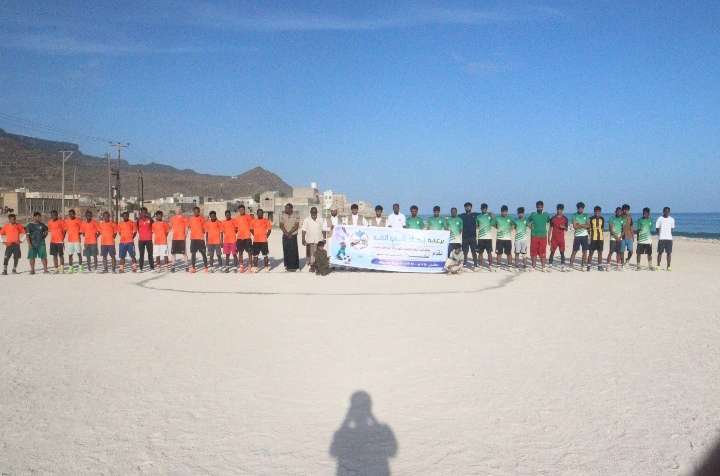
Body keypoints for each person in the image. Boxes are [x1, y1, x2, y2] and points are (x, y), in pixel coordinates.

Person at [528, 201, 551, 271]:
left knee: (543, 252)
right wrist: (530, 226)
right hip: (534, 236)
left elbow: (550, 222)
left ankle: (543, 267)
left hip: (543, 236)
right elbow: (527, 221)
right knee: (533, 252)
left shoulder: (546, 214)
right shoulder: (533, 214)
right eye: (538, 207)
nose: (539, 208)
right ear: (536, 207)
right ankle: (533, 267)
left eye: (541, 207)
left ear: (543, 207)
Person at [302, 206, 324, 272]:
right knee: (311, 255)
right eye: (312, 212)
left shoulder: (321, 220)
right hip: (310, 240)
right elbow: (304, 230)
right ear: (310, 212)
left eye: (315, 212)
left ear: (317, 212)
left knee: (318, 255)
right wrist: (303, 239)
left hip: (319, 240)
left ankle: (318, 266)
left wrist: (324, 239)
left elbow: (323, 230)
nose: (314, 214)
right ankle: (312, 267)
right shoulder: (306, 220)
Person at [569, 202, 590, 271]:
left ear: (583, 209)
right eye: (579, 208)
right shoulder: (574, 215)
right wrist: (584, 225)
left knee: (585, 251)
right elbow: (575, 227)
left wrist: (580, 224)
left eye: (582, 208)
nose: (581, 209)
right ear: (577, 208)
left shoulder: (586, 215)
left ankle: (582, 265)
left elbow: (588, 225)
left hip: (585, 235)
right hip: (577, 236)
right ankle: (571, 265)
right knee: (574, 251)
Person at [280, 203, 300, 271]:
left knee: (294, 251)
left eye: (287, 208)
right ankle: (287, 266)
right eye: (285, 208)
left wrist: (290, 233)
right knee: (286, 250)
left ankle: (295, 267)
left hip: (293, 235)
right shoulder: (282, 215)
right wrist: (287, 233)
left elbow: (296, 225)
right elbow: (281, 225)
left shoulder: (296, 215)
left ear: (291, 209)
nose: (285, 209)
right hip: (285, 235)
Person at [548, 204, 568, 271]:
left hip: (561, 239)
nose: (559, 211)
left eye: (561, 209)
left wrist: (564, 227)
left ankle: (563, 265)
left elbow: (566, 229)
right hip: (554, 239)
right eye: (558, 209)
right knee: (552, 251)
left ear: (562, 210)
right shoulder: (553, 218)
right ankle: (550, 264)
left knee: (562, 252)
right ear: (556, 209)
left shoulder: (565, 219)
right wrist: (548, 238)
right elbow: (550, 229)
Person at [475, 203, 495, 271]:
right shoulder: (478, 217)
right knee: (480, 253)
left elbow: (493, 222)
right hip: (480, 238)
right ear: (481, 209)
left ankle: (490, 265)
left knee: (489, 252)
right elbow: (477, 226)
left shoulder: (489, 216)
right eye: (482, 208)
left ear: (487, 209)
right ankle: (480, 265)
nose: (484, 209)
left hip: (488, 238)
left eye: (485, 208)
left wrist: (492, 215)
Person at [234, 205, 254, 272]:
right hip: (239, 238)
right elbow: (236, 228)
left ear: (244, 210)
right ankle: (241, 266)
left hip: (247, 237)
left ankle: (250, 265)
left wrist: (255, 234)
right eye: (240, 210)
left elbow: (252, 226)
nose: (241, 211)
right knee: (240, 252)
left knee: (249, 252)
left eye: (242, 209)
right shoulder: (237, 218)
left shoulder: (248, 217)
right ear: (239, 210)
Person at [459, 202, 478, 270]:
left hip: (473, 237)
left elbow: (484, 214)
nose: (467, 207)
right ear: (464, 208)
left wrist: (489, 212)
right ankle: (465, 262)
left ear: (471, 207)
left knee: (474, 251)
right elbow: (453, 217)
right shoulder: (462, 215)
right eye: (466, 206)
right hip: (465, 237)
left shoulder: (475, 215)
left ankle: (475, 263)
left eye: (469, 206)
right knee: (465, 251)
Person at [188, 206, 208, 273]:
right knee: (193, 254)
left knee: (203, 253)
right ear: (193, 212)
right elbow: (189, 227)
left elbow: (204, 229)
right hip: (193, 239)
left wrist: (201, 231)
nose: (196, 213)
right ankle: (193, 268)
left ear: (199, 212)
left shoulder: (202, 219)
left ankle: (206, 267)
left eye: (197, 211)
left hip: (200, 239)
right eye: (195, 211)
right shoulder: (191, 219)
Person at [656, 206, 675, 271]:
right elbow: (657, 228)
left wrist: (668, 235)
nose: (667, 212)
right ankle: (658, 265)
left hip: (669, 239)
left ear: (669, 212)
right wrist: (660, 235)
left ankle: (668, 266)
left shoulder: (672, 219)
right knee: (660, 253)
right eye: (665, 211)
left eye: (668, 211)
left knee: (669, 253)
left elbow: (672, 229)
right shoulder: (659, 219)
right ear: (663, 211)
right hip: (661, 239)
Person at [169, 207, 188, 272]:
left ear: (180, 211)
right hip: (175, 238)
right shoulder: (172, 218)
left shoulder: (184, 218)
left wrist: (185, 236)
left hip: (182, 238)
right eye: (176, 210)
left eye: (178, 210)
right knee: (173, 253)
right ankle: (173, 266)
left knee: (184, 253)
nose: (177, 211)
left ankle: (186, 266)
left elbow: (186, 228)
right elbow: (169, 226)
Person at [588, 205, 605, 271]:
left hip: (600, 238)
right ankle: (588, 266)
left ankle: (599, 266)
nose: (597, 213)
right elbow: (588, 228)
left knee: (600, 252)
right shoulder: (591, 219)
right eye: (596, 212)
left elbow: (602, 228)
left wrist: (602, 236)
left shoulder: (602, 219)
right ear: (594, 212)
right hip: (593, 238)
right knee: (591, 252)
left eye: (599, 212)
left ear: (600, 212)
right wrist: (589, 238)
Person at [136, 207, 154, 271]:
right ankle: (141, 267)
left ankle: (152, 267)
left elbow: (153, 225)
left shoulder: (150, 219)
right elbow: (138, 228)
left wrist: (150, 217)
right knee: (141, 254)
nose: (144, 213)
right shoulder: (138, 220)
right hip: (141, 240)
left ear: (146, 212)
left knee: (150, 254)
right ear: (140, 213)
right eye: (142, 212)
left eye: (145, 212)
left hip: (149, 239)